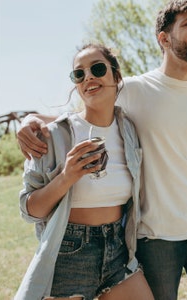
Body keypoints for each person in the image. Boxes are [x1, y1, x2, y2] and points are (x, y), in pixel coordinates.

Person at [17, 0, 187, 299]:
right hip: (153, 240)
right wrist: (32, 119)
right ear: (164, 38)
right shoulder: (133, 90)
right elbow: (86, 112)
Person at [15, 44, 154, 300]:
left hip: (117, 250)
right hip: (69, 253)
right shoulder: (52, 136)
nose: (88, 76)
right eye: (79, 74)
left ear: (116, 76)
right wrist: (67, 176)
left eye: (97, 68)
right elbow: (29, 210)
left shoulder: (130, 130)